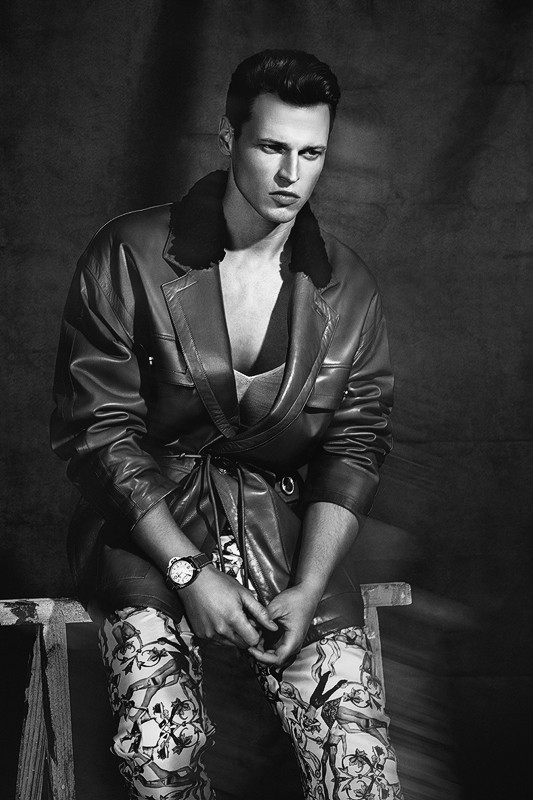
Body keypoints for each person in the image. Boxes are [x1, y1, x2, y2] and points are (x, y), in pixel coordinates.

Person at [51, 49, 402, 800]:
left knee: (360, 773)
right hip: (149, 532)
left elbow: (355, 443)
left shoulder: (347, 286)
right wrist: (187, 571)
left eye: (311, 154)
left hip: (284, 540)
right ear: (227, 136)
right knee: (160, 757)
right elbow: (96, 430)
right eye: (271, 147)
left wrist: (309, 585)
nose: (290, 175)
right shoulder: (131, 253)